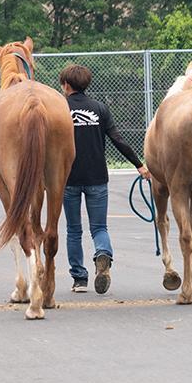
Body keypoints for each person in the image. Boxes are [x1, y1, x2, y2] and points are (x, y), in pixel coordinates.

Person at [59, 64, 150, 295]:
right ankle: (103, 254)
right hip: (97, 177)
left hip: (68, 178)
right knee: (99, 226)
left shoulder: (59, 109)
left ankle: (79, 279)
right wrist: (139, 165)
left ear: (66, 85)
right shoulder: (99, 108)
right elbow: (118, 139)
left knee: (73, 230)